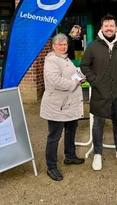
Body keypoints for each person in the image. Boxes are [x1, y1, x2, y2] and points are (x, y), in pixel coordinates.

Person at [80, 14, 117, 171]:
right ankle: (98, 154)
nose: (109, 28)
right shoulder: (93, 47)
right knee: (98, 124)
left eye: (111, 25)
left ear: (116, 28)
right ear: (101, 28)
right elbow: (84, 65)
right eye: (106, 26)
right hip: (100, 92)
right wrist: (94, 81)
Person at [40, 33, 85, 181]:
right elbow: (54, 80)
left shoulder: (65, 58)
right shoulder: (52, 60)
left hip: (69, 104)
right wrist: (74, 83)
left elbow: (70, 74)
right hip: (57, 105)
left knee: (71, 131)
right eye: (59, 44)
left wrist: (79, 76)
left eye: (64, 44)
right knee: (54, 136)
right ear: (53, 46)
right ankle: (51, 167)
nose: (63, 46)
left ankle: (70, 156)